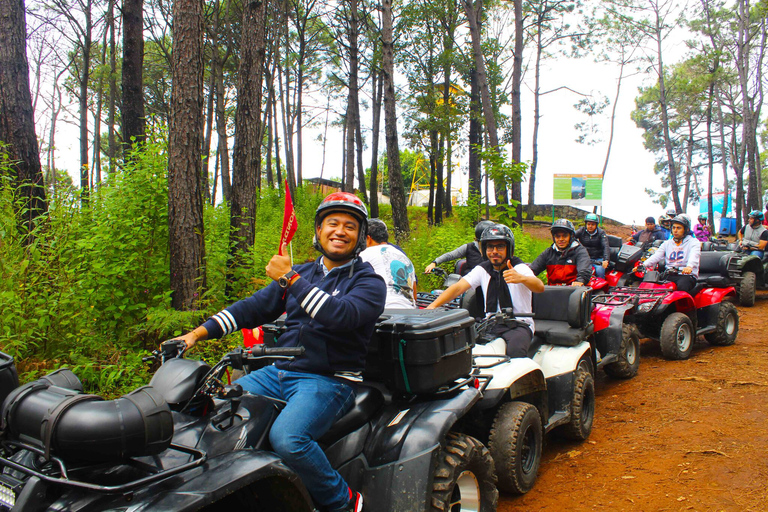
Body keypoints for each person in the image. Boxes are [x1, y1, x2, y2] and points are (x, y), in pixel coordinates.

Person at [173, 192, 386, 512]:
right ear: (318, 231)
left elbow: (338, 316)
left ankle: (344, 502)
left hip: (329, 380)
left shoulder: (369, 282)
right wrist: (194, 335)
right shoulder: (304, 273)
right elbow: (250, 309)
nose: (339, 231)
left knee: (289, 439)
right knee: (207, 408)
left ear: (360, 238)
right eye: (332, 223)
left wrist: (290, 279)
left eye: (350, 226)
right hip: (279, 372)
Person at [427, 224, 544, 358]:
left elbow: (539, 287)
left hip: (519, 324)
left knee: (515, 353)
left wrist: (522, 279)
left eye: (500, 246)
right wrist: (432, 307)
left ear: (509, 248)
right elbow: (458, 287)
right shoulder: (483, 269)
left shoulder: (519, 268)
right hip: (490, 323)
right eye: (490, 247)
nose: (494, 251)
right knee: (464, 350)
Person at [360, 218, 417, 308]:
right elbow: (414, 295)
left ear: (368, 238)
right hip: (409, 312)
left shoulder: (364, 254)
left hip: (384, 311)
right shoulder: (403, 257)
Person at [636, 215, 701, 293]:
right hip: (669, 274)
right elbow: (656, 256)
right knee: (650, 284)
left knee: (682, 287)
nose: (675, 230)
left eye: (679, 228)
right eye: (673, 228)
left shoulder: (693, 242)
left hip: (686, 276)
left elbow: (694, 255)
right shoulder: (667, 243)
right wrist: (643, 265)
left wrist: (689, 266)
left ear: (686, 230)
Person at [529, 219, 592, 286]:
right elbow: (534, 268)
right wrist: (524, 277)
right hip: (552, 292)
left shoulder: (580, 251)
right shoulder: (549, 252)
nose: (561, 239)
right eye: (557, 236)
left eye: (564, 236)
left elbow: (584, 269)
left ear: (571, 236)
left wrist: (580, 281)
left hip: (574, 291)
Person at [424, 219, 495, 276]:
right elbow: (450, 255)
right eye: (487, 243)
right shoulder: (469, 247)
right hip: (470, 286)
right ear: (477, 240)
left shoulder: (496, 254)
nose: (493, 249)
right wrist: (434, 262)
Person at [575, 213, 610, 279]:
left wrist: (606, 260)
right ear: (586, 224)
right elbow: (571, 237)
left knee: (600, 271)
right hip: (584, 257)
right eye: (589, 224)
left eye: (593, 224)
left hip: (598, 259)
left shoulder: (601, 233)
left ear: (596, 225)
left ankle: (601, 288)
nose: (590, 226)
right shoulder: (581, 230)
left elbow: (605, 246)